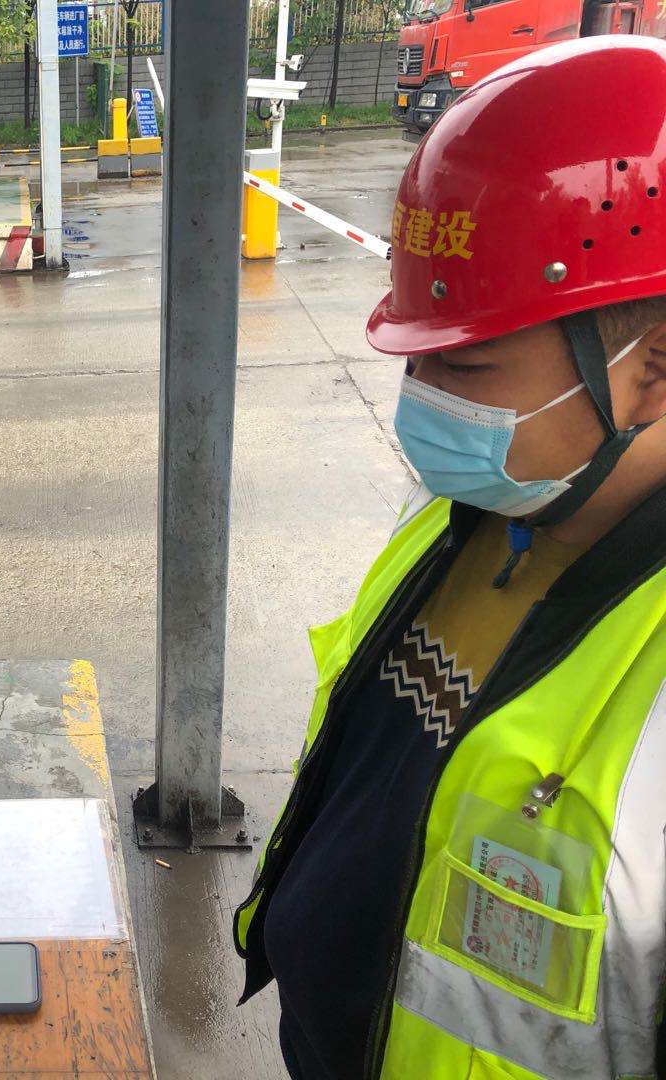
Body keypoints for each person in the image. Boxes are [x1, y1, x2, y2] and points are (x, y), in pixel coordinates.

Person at [233, 36, 666, 1080]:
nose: (420, 394)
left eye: (466, 359)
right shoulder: (463, 512)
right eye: (418, 347)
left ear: (654, 365)